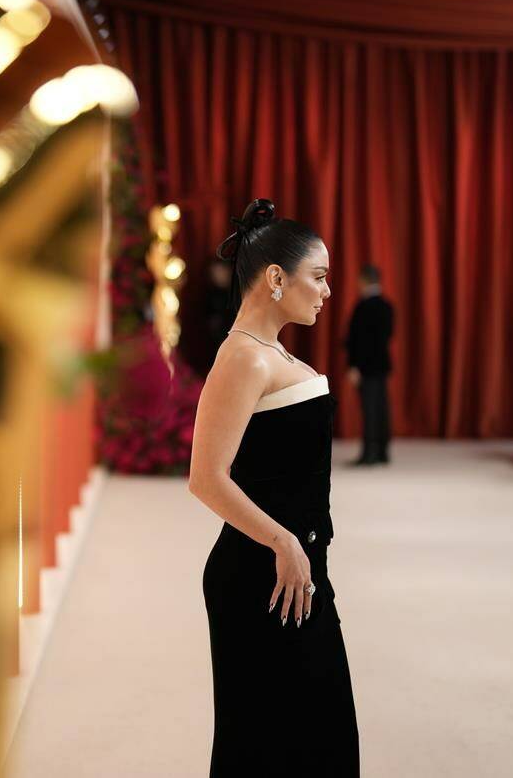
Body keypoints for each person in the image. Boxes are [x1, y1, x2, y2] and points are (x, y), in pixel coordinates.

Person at [189, 198, 359, 776]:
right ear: (277, 278)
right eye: (319, 277)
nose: (327, 292)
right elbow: (205, 478)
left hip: (296, 570)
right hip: (262, 574)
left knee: (317, 738)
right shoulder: (244, 358)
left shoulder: (272, 352)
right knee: (272, 745)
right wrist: (285, 542)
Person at [344, 265, 394, 466]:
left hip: (365, 366)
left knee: (370, 410)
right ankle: (382, 450)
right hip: (381, 364)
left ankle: (369, 453)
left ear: (364, 280)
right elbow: (386, 337)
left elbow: (358, 340)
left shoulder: (363, 306)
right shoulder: (387, 305)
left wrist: (354, 365)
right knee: (381, 408)